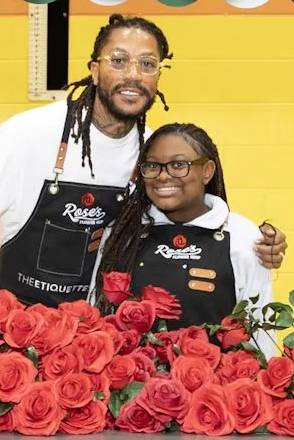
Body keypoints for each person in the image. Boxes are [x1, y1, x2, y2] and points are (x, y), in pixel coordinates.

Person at [0, 14, 286, 305]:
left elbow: (186, 221)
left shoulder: (152, 156)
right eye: (119, 60)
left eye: (147, 64)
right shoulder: (29, 134)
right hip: (16, 326)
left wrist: (254, 244)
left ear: (158, 76)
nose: (133, 74)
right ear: (94, 70)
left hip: (96, 340)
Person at [93, 122, 275, 349]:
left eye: (178, 165)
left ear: (207, 171)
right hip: (135, 372)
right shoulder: (122, 234)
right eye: (152, 166)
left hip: (219, 373)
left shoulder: (242, 235)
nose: (162, 176)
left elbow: (261, 334)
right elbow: (98, 316)